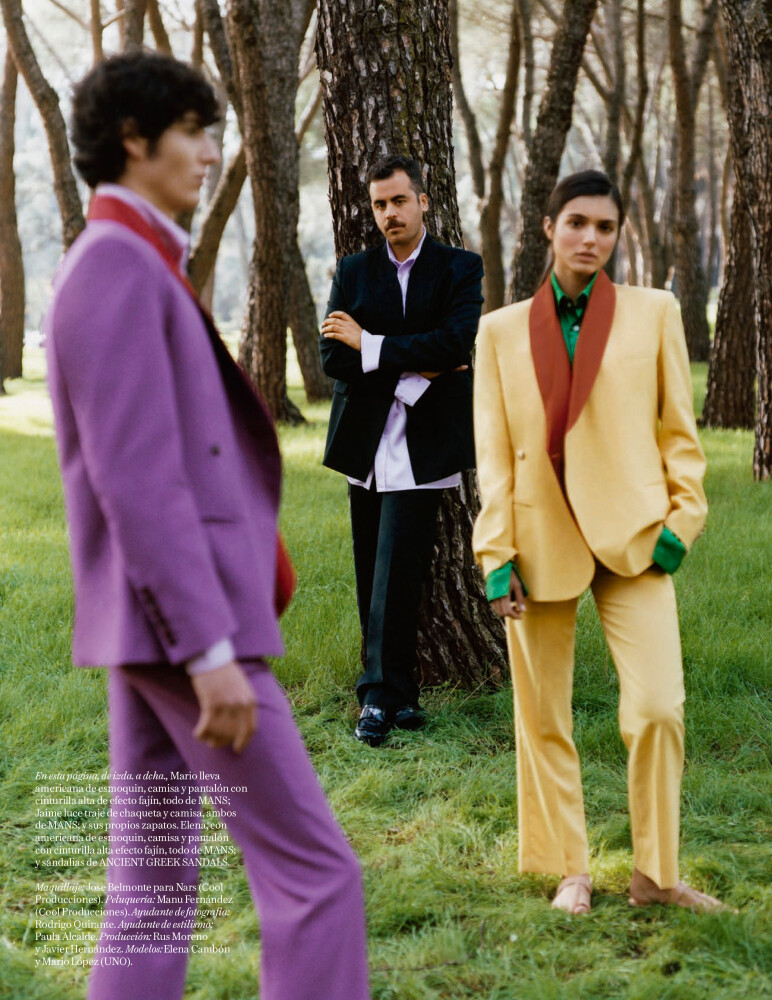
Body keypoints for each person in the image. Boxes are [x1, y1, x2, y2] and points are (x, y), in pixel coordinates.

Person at [46, 52, 370, 1000]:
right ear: (133, 140)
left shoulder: (133, 258)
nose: (208, 152)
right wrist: (208, 650)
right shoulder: (115, 264)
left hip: (153, 631)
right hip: (187, 634)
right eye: (192, 131)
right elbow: (138, 483)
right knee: (317, 879)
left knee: (151, 888)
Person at [472, 169, 725, 915]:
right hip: (537, 539)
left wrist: (679, 527)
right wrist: (496, 556)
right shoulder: (500, 331)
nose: (591, 238)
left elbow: (680, 435)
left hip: (637, 540)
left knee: (658, 707)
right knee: (543, 715)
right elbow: (492, 457)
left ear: (617, 235)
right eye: (577, 223)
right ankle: (569, 870)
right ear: (549, 228)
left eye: (605, 227)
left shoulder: (655, 313)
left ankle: (657, 876)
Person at [319, 154, 483, 747]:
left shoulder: (460, 268)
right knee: (372, 571)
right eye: (380, 204)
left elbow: (455, 343)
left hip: (425, 444)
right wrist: (418, 367)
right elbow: (333, 358)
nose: (389, 213)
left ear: (423, 201)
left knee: (400, 571)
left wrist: (370, 343)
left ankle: (377, 698)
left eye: (399, 201)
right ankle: (401, 694)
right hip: (364, 442)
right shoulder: (354, 271)